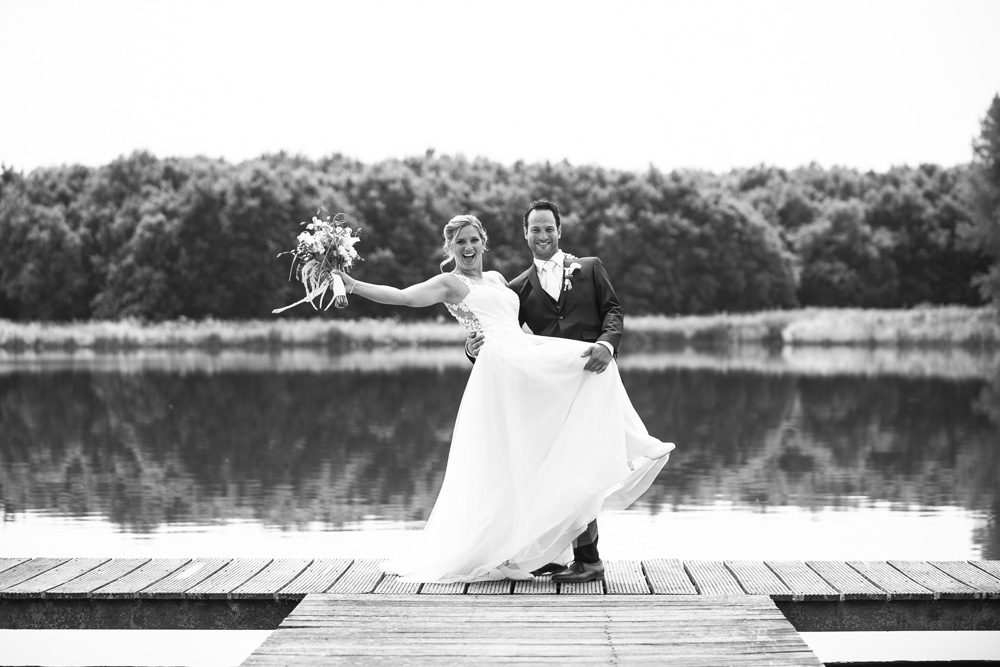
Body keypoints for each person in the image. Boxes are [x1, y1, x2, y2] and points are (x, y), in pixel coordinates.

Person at [332, 214, 673, 583]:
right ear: (450, 247)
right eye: (460, 242)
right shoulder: (449, 283)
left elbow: (519, 320)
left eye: (473, 239)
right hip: (501, 367)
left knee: (593, 365)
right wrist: (353, 285)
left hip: (524, 356)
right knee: (529, 439)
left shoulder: (498, 280)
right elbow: (402, 296)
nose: (468, 247)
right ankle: (634, 448)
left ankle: (627, 453)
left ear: (484, 242)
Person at [465, 199, 623, 583]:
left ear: (559, 230)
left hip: (591, 380)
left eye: (548, 228)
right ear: (525, 234)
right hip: (547, 391)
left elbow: (613, 311)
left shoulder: (590, 268)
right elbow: (503, 338)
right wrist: (473, 349)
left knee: (582, 468)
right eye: (535, 229)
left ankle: (589, 560)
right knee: (551, 470)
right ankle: (549, 553)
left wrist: (606, 344)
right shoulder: (518, 288)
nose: (542, 235)